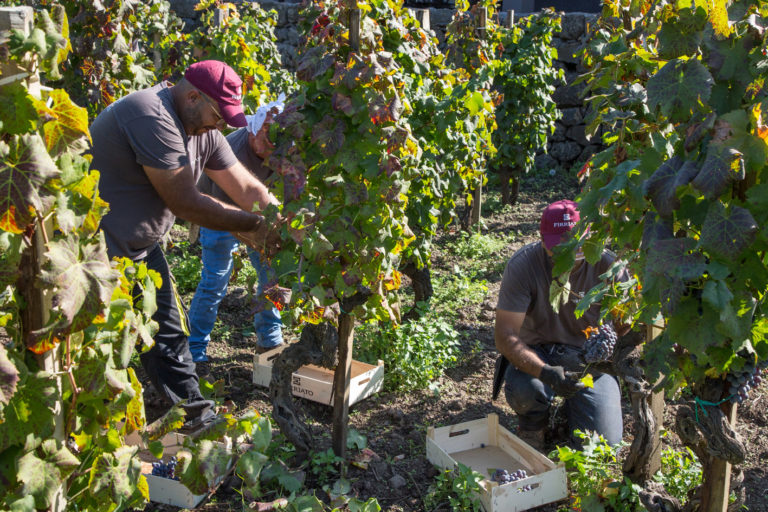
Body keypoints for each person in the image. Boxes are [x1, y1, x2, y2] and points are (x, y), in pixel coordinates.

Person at [90, 60, 280, 431]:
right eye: (218, 114)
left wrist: (283, 225)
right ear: (193, 96)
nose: (221, 124)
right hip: (96, 248)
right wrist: (254, 226)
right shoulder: (151, 115)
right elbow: (185, 202)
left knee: (170, 334)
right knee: (99, 344)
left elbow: (247, 188)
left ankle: (197, 419)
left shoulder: (202, 130)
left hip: (140, 246)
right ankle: (97, 429)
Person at [494, 199, 624, 450]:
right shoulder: (523, 265)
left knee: (604, 444)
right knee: (526, 391)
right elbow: (504, 335)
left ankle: (571, 412)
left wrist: (608, 353)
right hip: (537, 352)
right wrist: (545, 373)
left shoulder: (610, 267)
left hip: (589, 361)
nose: (569, 254)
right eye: (559, 247)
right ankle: (533, 426)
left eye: (576, 246)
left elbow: (627, 329)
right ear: (542, 239)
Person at [188, 96, 287, 372]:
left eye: (277, 145)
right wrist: (257, 233)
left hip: (261, 214)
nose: (271, 150)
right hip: (218, 211)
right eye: (266, 142)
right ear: (253, 130)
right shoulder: (232, 149)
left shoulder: (284, 149)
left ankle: (269, 340)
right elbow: (226, 212)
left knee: (270, 278)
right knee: (215, 280)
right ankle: (194, 350)